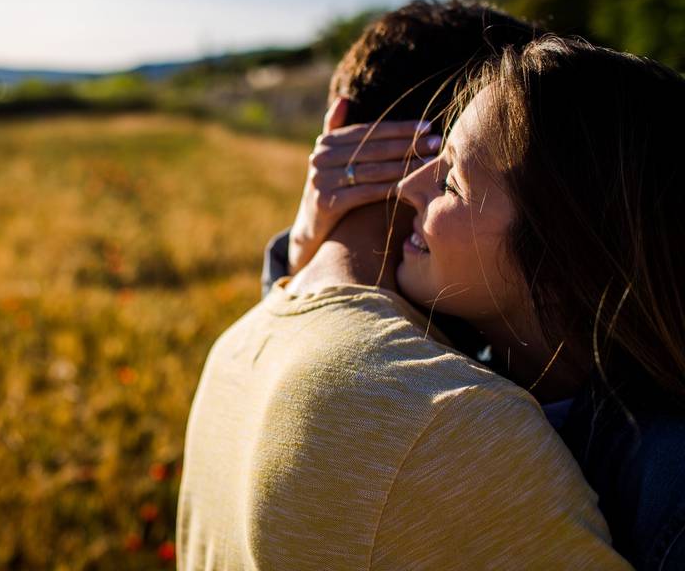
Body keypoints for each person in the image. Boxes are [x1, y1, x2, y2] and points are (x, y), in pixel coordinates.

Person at [176, 0, 632, 569]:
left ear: (336, 122)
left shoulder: (236, 347)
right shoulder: (451, 417)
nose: (426, 183)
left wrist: (299, 254)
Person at [265, 35, 685, 568]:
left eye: (450, 182)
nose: (409, 186)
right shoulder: (461, 368)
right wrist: (302, 246)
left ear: (561, 262)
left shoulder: (668, 486)